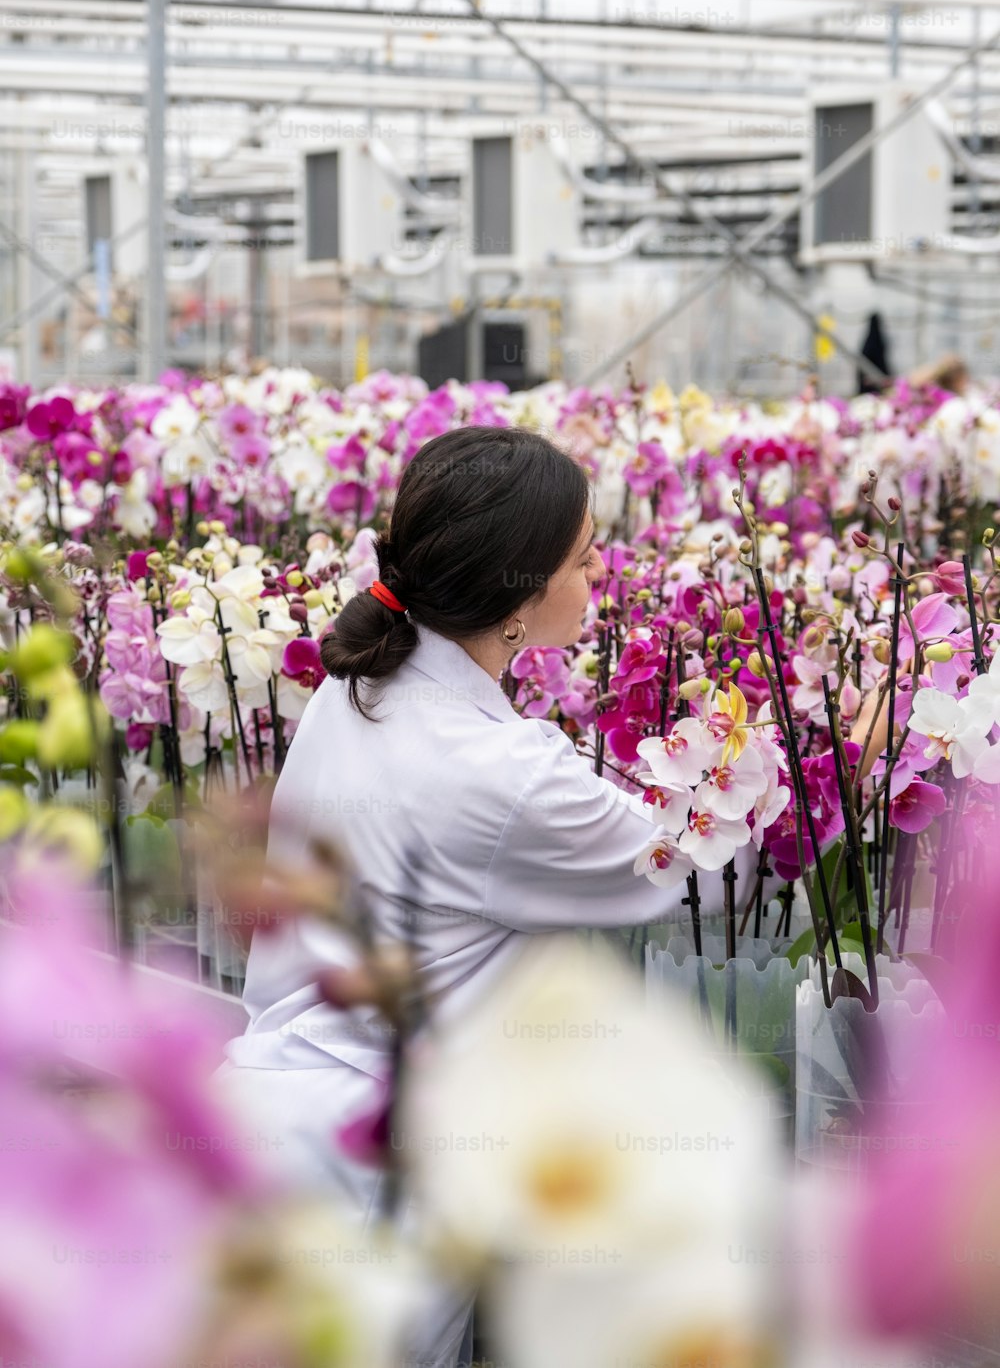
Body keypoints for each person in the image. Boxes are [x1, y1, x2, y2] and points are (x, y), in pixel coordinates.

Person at [215, 425, 745, 1368]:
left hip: (263, 1119)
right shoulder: (504, 774)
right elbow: (692, 866)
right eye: (585, 559)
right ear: (519, 593)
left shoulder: (360, 683)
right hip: (373, 1181)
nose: (601, 576)